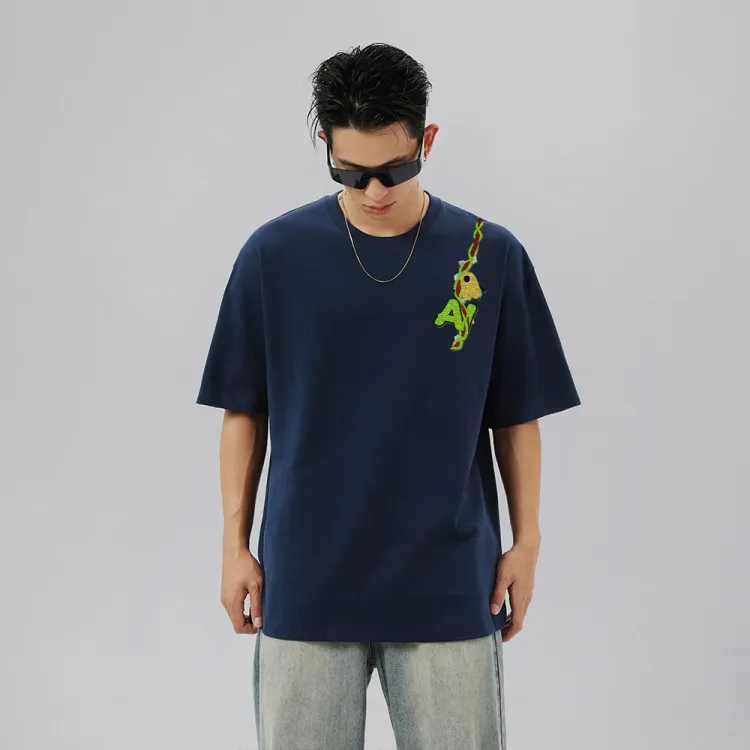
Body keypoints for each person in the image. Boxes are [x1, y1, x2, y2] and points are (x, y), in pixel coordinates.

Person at [196, 42, 581, 750]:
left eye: (394, 170)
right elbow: (243, 410)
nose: (373, 190)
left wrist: (527, 543)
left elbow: (515, 415)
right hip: (306, 579)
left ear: (427, 141)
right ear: (326, 146)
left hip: (447, 580)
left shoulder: (488, 254)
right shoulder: (273, 256)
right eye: (351, 172)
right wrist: (233, 545)